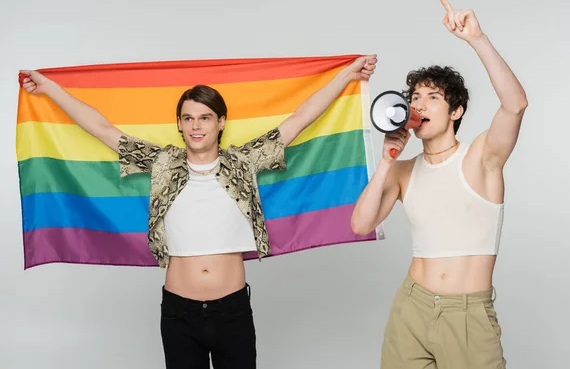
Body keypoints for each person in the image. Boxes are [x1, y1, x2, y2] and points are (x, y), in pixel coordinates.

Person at [20, 54, 377, 369]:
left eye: (205, 118)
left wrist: (347, 76)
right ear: (178, 124)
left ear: (221, 122)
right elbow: (101, 129)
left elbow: (299, 119)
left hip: (232, 309)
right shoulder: (162, 163)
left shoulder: (243, 161)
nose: (196, 126)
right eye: (188, 118)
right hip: (179, 312)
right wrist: (49, 87)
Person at [351, 0, 527, 369]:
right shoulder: (403, 171)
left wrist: (477, 39)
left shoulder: (482, 156)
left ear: (456, 110)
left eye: (433, 97)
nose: (421, 105)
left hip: (466, 316)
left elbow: (515, 104)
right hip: (411, 308)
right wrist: (386, 161)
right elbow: (360, 224)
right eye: (416, 97)